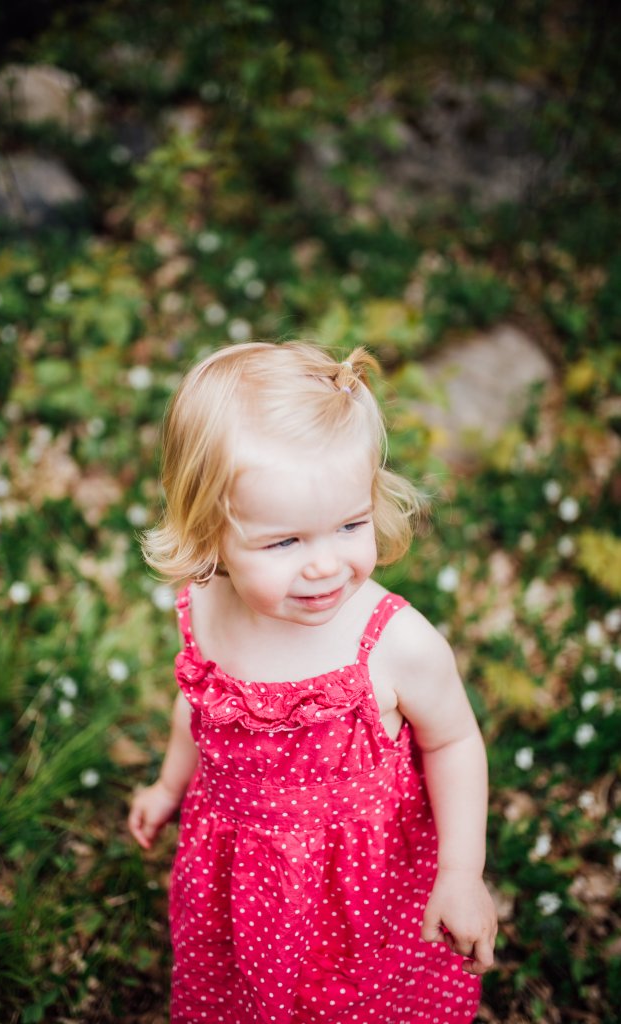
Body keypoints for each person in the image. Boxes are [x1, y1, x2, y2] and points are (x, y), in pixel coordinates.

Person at [128, 341, 497, 1023]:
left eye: (350, 525)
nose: (325, 565)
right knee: (240, 992)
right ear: (210, 533)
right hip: (238, 879)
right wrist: (169, 786)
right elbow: (199, 710)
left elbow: (453, 743)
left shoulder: (394, 645)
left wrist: (459, 874)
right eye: (284, 542)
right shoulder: (206, 603)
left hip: (362, 894)